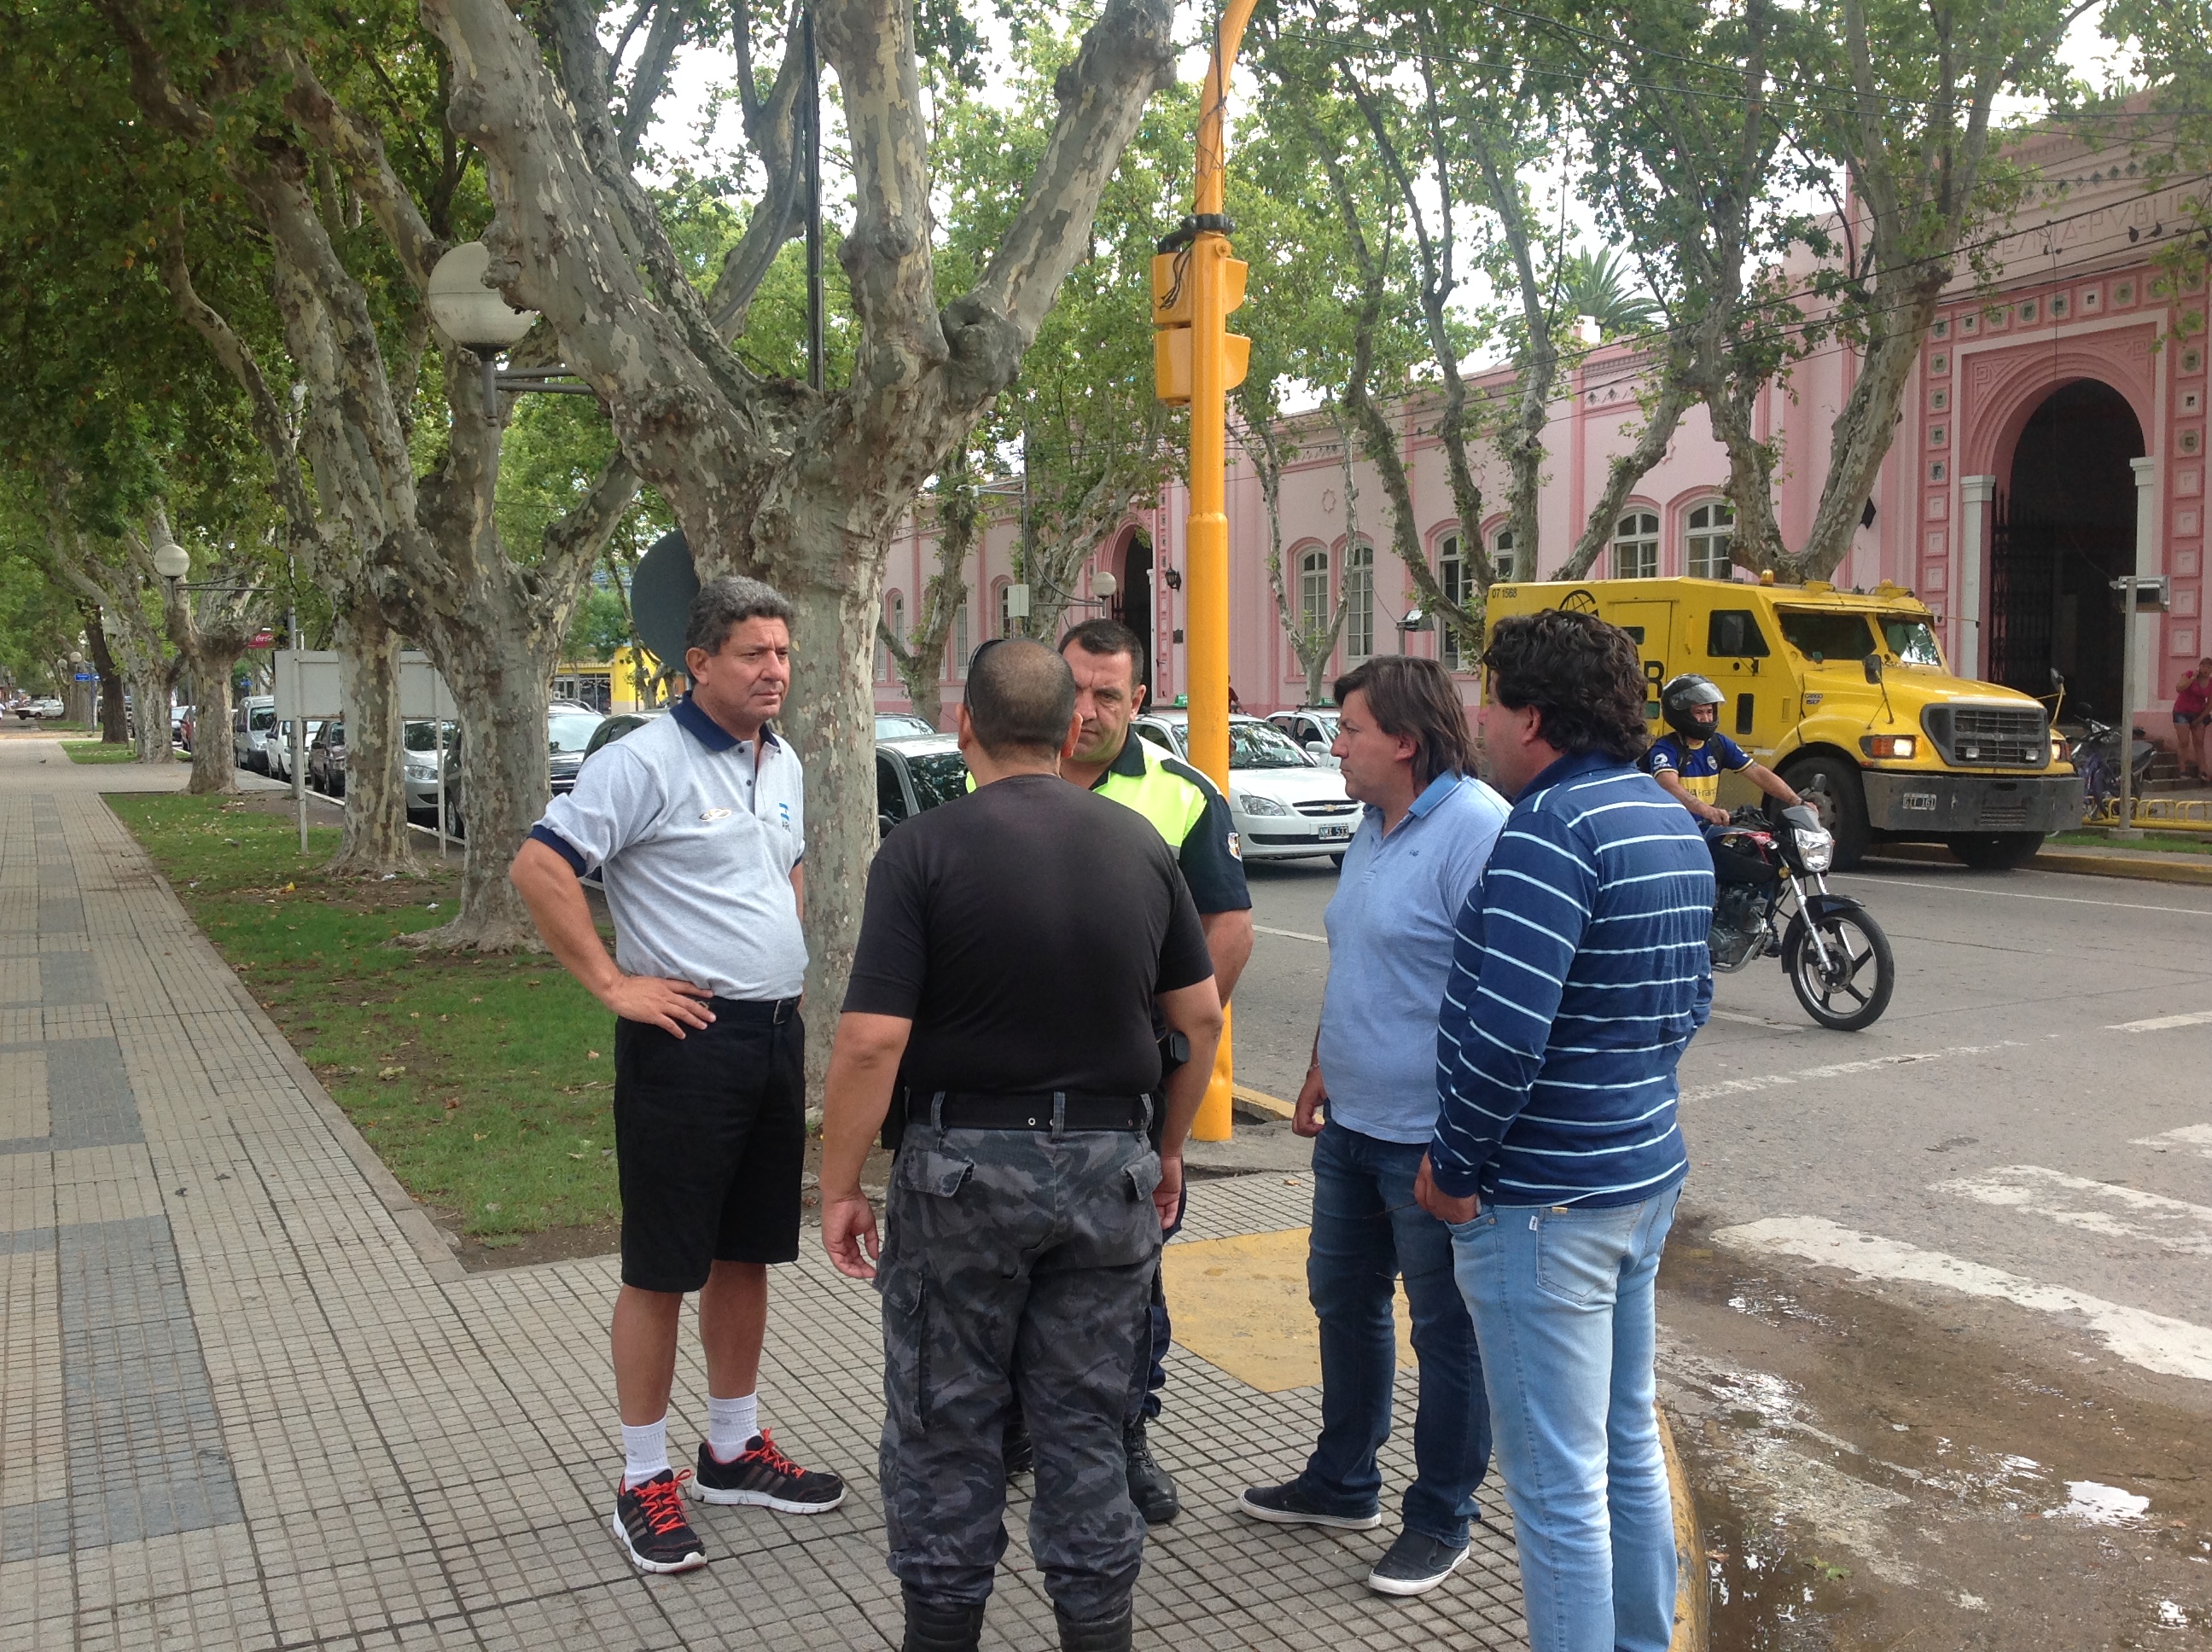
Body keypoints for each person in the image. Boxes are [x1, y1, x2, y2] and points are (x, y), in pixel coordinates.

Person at [818, 639, 1225, 1652]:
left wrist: (842, 1184)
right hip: (1108, 1170)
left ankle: (943, 1631)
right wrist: (1167, 1150)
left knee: (946, 1424)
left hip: (961, 1175)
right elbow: (1202, 1020)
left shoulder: (919, 850)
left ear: (965, 729)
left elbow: (872, 1040)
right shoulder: (1139, 847)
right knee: (1086, 1422)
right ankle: (1097, 1633)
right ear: (1070, 727)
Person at [510, 575, 844, 1576]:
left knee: (747, 1254)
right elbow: (540, 865)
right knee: (662, 1265)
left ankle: (732, 1450)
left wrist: (773, 946)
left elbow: (781, 864)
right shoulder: (645, 758)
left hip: (773, 1039)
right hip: (685, 1046)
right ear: (699, 663)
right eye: (754, 653)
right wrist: (615, 982)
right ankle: (641, 1474)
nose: (775, 670)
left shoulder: (781, 760)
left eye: (783, 652)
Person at [1414, 609, 1714, 1652]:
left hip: (1543, 1202)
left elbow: (1503, 1039)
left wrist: (1454, 1166)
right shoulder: (1662, 814)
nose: (1478, 719)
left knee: (1554, 1490)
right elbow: (1690, 1000)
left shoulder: (1549, 831)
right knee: (1624, 1442)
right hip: (1640, 1174)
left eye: (1489, 700)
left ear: (1533, 716)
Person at [1235, 657, 1508, 1598]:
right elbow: (1360, 961)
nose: (1335, 744)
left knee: (1447, 1333)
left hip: (1431, 1138)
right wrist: (1317, 1066)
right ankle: (1344, 1481)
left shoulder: (1476, 831)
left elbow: (1500, 1002)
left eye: (1347, 729)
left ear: (1402, 737)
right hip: (1352, 1127)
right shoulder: (1373, 825)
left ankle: (1442, 1516)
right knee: (1342, 1302)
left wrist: (1462, 1138)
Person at [1057, 618, 1253, 1526]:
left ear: (1139, 701)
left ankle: (1128, 1432)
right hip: (1010, 1082)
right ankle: (1026, 1426)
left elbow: (1229, 928)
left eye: (1108, 694)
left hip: (1128, 1086)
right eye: (1074, 690)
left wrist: (1171, 1028)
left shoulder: (1178, 794)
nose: (1087, 710)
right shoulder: (1007, 772)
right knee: (1017, 1262)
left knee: (1131, 1274)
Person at [1643, 673, 1802, 825]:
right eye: (1699, 712)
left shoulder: (1718, 744)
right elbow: (1668, 785)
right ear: (1681, 714)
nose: (1706, 719)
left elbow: (1759, 773)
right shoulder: (1666, 748)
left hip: (1707, 829)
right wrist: (1707, 810)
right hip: (1675, 829)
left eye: (1709, 712)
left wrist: (1795, 801)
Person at [2174, 657, 2212, 782]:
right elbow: (2179, 688)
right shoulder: (2190, 674)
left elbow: (2210, 705)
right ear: (2199, 667)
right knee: (2184, 741)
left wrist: (2200, 718)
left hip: (2198, 714)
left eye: (2209, 667)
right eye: (2203, 666)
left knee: (2199, 742)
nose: (2206, 669)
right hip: (2182, 712)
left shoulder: (2211, 683)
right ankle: (2182, 770)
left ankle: (2203, 771)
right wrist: (2192, 679)